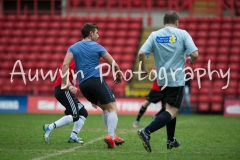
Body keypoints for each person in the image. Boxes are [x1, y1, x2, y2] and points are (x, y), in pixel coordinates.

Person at [137, 10, 199, 152]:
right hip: (176, 79)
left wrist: (143, 68)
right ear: (177, 22)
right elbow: (195, 54)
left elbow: (141, 53)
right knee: (172, 110)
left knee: (168, 108)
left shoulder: (155, 35)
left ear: (164, 22)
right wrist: (190, 60)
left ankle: (170, 140)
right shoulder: (183, 34)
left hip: (162, 79)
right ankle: (146, 131)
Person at [60, 23, 124, 149]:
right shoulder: (97, 47)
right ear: (91, 33)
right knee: (113, 108)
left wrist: (64, 83)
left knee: (105, 108)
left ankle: (113, 135)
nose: (98, 36)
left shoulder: (73, 47)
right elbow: (113, 63)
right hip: (95, 80)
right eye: (97, 33)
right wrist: (118, 74)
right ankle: (111, 136)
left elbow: (65, 65)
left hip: (83, 85)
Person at [43, 60, 88, 144]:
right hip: (64, 90)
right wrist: (70, 86)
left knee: (83, 113)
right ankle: (50, 127)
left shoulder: (77, 62)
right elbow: (64, 74)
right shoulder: (72, 62)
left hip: (66, 90)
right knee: (74, 116)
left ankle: (73, 137)